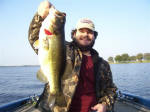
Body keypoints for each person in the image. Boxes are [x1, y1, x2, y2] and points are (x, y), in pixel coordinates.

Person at [28, 1, 117, 112]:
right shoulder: (65, 50)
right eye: (81, 31)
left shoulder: (103, 64)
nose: (85, 35)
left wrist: (105, 104)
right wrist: (41, 15)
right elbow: (35, 37)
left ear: (94, 36)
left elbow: (111, 89)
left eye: (90, 32)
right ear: (74, 34)